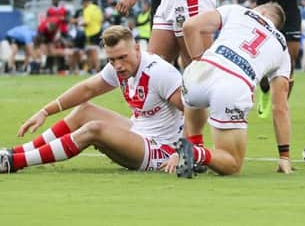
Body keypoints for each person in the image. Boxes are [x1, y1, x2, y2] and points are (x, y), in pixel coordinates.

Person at [0, 26, 184, 174]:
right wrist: (45, 111)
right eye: (112, 60)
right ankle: (16, 152)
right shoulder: (118, 67)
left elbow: (192, 109)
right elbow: (87, 89)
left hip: (161, 151)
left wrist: (182, 154)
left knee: (94, 129)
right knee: (84, 110)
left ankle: (13, 162)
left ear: (137, 49)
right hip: (138, 132)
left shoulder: (159, 72)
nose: (118, 65)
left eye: (122, 57)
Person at [162, 2, 292, 177]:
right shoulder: (282, 46)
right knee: (232, 164)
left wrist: (197, 60)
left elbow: (190, 25)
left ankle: (193, 145)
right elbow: (280, 108)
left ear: (260, 10)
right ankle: (196, 153)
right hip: (235, 84)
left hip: (199, 73)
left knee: (194, 101)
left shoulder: (238, 11)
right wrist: (284, 156)